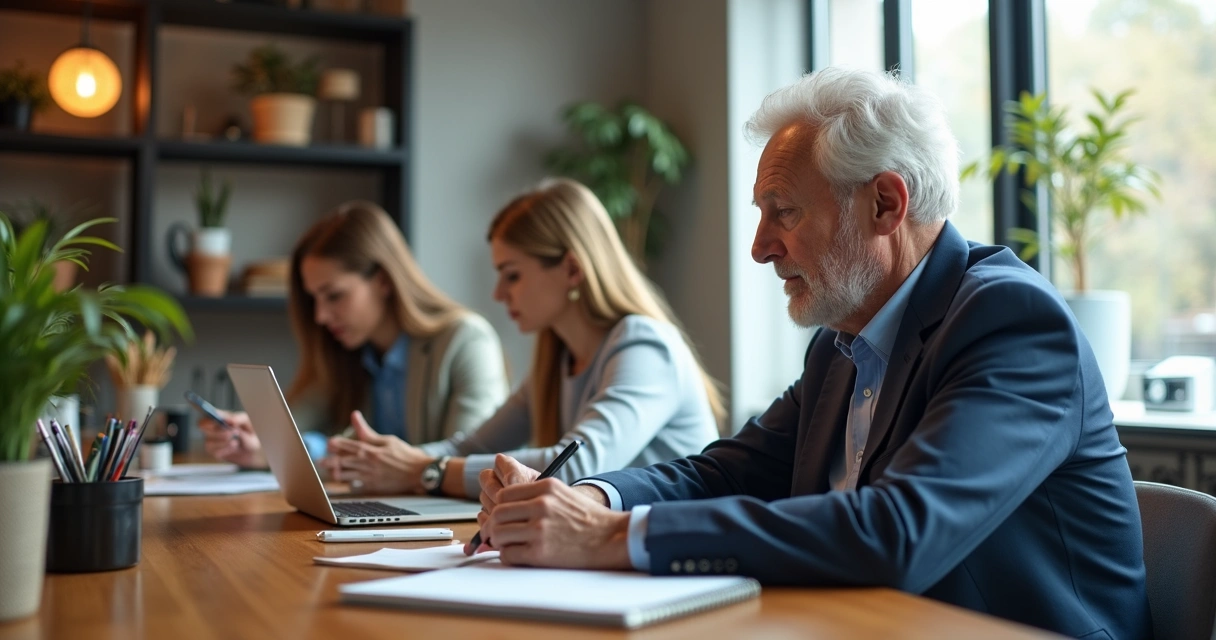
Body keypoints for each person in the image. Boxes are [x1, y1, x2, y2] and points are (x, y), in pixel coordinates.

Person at [469, 68, 1152, 638]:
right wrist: (586, 495)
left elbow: (897, 532)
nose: (760, 246)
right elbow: (724, 473)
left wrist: (609, 538)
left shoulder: (1009, 322)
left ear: (885, 203)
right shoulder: (844, 343)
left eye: (783, 212)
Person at [324, 178, 725, 499]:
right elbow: (471, 446)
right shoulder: (558, 357)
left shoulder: (644, 345)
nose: (499, 294)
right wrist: (385, 459)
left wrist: (421, 471)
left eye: (511, 275)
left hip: (668, 557)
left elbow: (576, 467)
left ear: (571, 269)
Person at [199, 201, 509, 470]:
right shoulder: (347, 352)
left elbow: (472, 462)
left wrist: (304, 452)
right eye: (314, 300)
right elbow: (297, 431)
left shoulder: (466, 341)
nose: (320, 316)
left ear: (384, 280)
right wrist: (261, 436)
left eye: (333, 296)